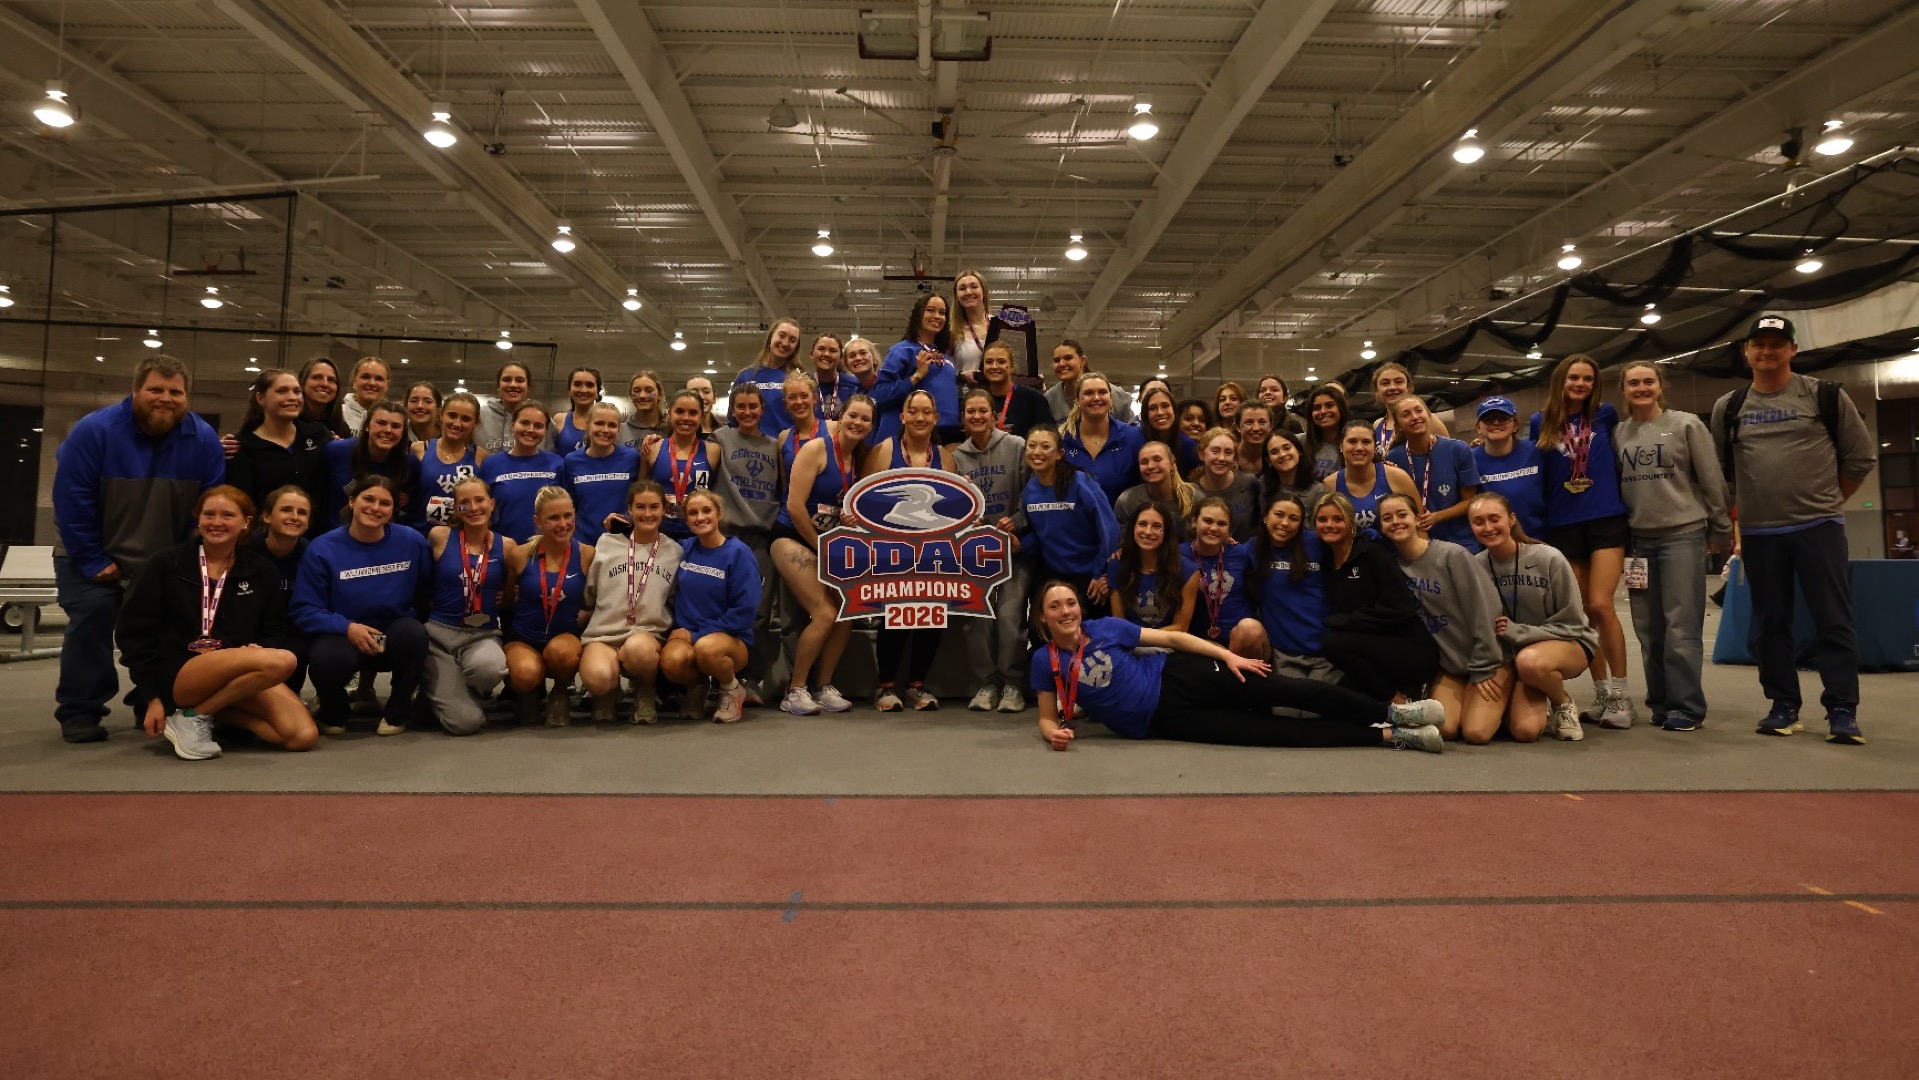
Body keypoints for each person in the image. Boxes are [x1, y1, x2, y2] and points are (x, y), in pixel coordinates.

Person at [1710, 314, 1876, 743]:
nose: (1767, 351)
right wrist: (1733, 524)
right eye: (1759, 344)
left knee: (1833, 620)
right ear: (1746, 351)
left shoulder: (1824, 396)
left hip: (1818, 527)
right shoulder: (1729, 407)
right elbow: (1723, 474)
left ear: (1793, 350)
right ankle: (1783, 705)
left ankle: (1842, 710)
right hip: (1761, 532)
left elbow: (1860, 458)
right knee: (1771, 622)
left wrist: (1827, 502)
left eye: (1777, 344)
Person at [1030, 580, 1444, 752]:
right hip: (1165, 722)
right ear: (1043, 617)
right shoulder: (1043, 660)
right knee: (1276, 734)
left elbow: (1173, 638)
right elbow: (1047, 718)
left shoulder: (1106, 627)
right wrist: (1056, 735)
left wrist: (1226, 655)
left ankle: (1390, 711)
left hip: (1181, 675)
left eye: (1071, 603)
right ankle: (1395, 736)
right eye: (1056, 607)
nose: (1067, 611)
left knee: (1286, 691)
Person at [51, 356, 226, 744]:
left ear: (187, 396)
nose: (165, 398)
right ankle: (81, 709)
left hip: (159, 562)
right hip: (90, 555)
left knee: (166, 633)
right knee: (93, 620)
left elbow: (206, 509)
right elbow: (71, 500)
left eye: (175, 392)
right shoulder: (93, 431)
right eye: (156, 390)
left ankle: (147, 700)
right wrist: (94, 559)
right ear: (135, 391)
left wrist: (179, 562)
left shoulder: (203, 441)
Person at [114, 485, 314, 760]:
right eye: (209, 514)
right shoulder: (165, 564)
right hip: (181, 671)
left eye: (227, 516)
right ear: (198, 519)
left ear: (246, 523)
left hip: (238, 673)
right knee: (283, 661)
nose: (217, 523)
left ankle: (197, 714)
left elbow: (274, 628)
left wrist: (261, 646)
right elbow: (133, 634)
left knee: (301, 736)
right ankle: (192, 713)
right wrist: (153, 698)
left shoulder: (261, 570)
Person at [1615, 362, 1733, 733]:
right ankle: (1661, 702)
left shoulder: (1685, 425)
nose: (1641, 388)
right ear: (1624, 390)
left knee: (1681, 626)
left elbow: (1712, 479)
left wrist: (1721, 528)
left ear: (1660, 386)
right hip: (1638, 542)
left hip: (1682, 535)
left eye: (1648, 381)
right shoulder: (1619, 433)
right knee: (1648, 629)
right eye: (1633, 383)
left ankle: (1687, 706)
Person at [1530, 354, 1634, 729]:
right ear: (1561, 381)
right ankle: (1602, 693)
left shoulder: (1605, 415)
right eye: (1573, 377)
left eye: (1587, 378)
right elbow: (1535, 470)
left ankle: (1622, 697)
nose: (1580, 384)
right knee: (1584, 614)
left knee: (1602, 605)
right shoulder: (1540, 423)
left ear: (1595, 384)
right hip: (1563, 524)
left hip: (1605, 519)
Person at [290, 475, 432, 737]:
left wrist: (407, 617)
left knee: (414, 634)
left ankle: (398, 712)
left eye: (385, 503)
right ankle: (334, 711)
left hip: (392, 633)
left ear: (393, 509)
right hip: (344, 635)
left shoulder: (412, 542)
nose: (375, 508)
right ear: (352, 501)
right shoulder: (322, 548)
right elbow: (304, 609)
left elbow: (424, 594)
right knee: (326, 658)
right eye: (368, 499)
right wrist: (347, 628)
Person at [1469, 492, 1600, 742]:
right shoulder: (1476, 566)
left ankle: (1562, 702)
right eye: (1478, 522)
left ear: (1511, 519)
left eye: (1494, 518)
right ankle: (1518, 696)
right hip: (1510, 652)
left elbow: (1572, 624)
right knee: (1505, 731)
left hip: (1566, 643)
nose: (1487, 527)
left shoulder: (1548, 558)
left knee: (1530, 663)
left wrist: (1519, 632)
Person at [771, 395, 871, 715]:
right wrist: (819, 547)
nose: (858, 423)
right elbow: (795, 507)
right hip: (792, 537)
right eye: (853, 415)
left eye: (865, 419)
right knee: (825, 612)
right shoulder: (816, 448)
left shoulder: (861, 458)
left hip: (830, 543)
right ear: (840, 417)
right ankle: (795, 690)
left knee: (847, 612)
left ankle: (824, 685)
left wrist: (850, 519)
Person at [1377, 493, 1503, 741]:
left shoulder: (1451, 556)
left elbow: (1484, 612)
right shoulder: (1393, 568)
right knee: (1444, 728)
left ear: (1417, 519)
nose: (1395, 522)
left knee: (1476, 732)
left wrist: (1482, 666)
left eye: (1402, 515)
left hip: (1488, 658)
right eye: (1387, 518)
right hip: (1451, 665)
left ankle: (1514, 697)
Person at [864, 389, 955, 711]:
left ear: (935, 417)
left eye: (926, 412)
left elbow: (955, 509)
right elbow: (864, 500)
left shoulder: (945, 458)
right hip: (891, 549)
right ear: (902, 417)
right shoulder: (884, 450)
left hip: (932, 552)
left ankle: (918, 684)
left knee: (932, 615)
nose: (919, 417)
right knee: (895, 615)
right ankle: (885, 686)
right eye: (913, 411)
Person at [951, 387, 1033, 712]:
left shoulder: (1017, 446)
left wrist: (1017, 521)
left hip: (1012, 545)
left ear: (995, 415)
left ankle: (1012, 682)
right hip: (975, 552)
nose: (977, 416)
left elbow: (1032, 491)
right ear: (963, 419)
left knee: (1011, 615)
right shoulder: (957, 457)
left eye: (982, 410)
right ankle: (988, 681)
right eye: (970, 411)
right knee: (976, 616)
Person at [1314, 492, 1440, 702]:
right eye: (1322, 520)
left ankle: (1399, 701)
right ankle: (1400, 701)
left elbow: (1402, 608)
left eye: (1338, 519)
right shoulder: (1327, 563)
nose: (1330, 525)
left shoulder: (1372, 554)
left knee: (1330, 642)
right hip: (1372, 652)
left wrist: (1349, 621)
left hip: (1410, 647)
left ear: (1350, 523)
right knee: (1338, 702)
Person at [579, 481, 682, 724]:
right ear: (629, 510)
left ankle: (646, 690)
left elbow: (674, 599)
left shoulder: (675, 551)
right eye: (640, 507)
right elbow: (590, 593)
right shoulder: (606, 543)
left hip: (646, 634)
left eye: (654, 507)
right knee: (598, 677)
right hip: (603, 634)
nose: (647, 514)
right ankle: (609, 691)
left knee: (640, 651)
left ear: (664, 509)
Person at [419, 477, 512, 735]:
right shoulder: (439, 536)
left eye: (479, 500)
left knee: (490, 668)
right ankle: (440, 692)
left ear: (491, 503)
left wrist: (507, 594)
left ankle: (454, 692)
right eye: (464, 503)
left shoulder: (508, 546)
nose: (473, 508)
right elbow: (423, 582)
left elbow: (512, 590)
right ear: (455, 508)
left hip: (482, 635)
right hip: (438, 637)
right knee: (465, 724)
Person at [710, 384, 784, 704]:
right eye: (740, 406)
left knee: (759, 611)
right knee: (719, 607)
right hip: (727, 535)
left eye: (753, 406)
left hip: (761, 537)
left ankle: (751, 678)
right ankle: (719, 677)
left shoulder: (775, 445)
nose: (747, 412)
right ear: (733, 410)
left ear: (762, 409)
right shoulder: (720, 440)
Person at [661, 490, 760, 723]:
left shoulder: (738, 553)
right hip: (688, 634)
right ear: (686, 520)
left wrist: (696, 635)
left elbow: (744, 613)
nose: (700, 517)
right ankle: (697, 688)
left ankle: (732, 689)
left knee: (706, 649)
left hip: (729, 638)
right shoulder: (684, 548)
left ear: (719, 514)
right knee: (671, 662)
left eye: (707, 511)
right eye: (693, 513)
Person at [501, 485, 590, 727]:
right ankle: (528, 696)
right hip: (523, 636)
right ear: (538, 521)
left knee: (562, 653)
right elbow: (507, 603)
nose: (562, 524)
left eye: (567, 516)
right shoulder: (519, 555)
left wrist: (578, 620)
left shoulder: (587, 555)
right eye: (553, 518)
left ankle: (560, 694)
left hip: (564, 635)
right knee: (525, 674)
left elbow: (594, 603)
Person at [1014, 424, 1118, 609]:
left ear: (1060, 453)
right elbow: (1041, 536)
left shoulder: (1080, 482)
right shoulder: (1029, 491)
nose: (1037, 452)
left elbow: (1108, 529)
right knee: (1040, 633)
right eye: (1032, 446)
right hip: (1054, 574)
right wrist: (1021, 546)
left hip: (1089, 573)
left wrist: (1100, 573)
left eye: (1046, 447)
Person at [226, 369, 330, 533]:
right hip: (266, 544)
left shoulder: (318, 435)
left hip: (315, 540)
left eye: (297, 392)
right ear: (260, 398)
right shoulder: (242, 447)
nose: (292, 397)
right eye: (282, 391)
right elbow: (242, 506)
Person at [1249, 494, 1333, 679]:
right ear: (1265, 517)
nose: (1285, 523)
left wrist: (1370, 535)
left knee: (1318, 708)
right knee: (1286, 709)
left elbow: (1352, 546)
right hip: (1284, 654)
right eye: (1279, 514)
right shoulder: (1252, 549)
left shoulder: (1318, 542)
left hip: (1325, 653)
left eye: (1294, 518)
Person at [1384, 395, 1480, 549]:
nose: (1414, 417)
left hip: (1462, 543)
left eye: (1419, 411)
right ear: (1398, 426)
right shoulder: (1394, 458)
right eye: (1406, 414)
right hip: (1420, 545)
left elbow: (1471, 501)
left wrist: (1436, 517)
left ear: (1429, 417)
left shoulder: (1458, 449)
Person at [1181, 497, 1264, 657]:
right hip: (1198, 640)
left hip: (1241, 638)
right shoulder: (1178, 555)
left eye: (1221, 524)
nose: (1213, 528)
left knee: (1250, 628)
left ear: (1229, 530)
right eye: (1207, 521)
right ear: (1193, 521)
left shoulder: (1241, 553)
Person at [875, 293, 960, 443]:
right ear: (918, 314)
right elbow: (881, 395)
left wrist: (962, 376)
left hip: (950, 434)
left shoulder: (946, 356)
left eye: (942, 312)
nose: (937, 316)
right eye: (930, 310)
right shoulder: (902, 350)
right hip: (916, 436)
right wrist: (917, 376)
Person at [321, 399, 417, 530]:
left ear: (403, 432)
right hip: (336, 536)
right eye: (381, 423)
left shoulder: (410, 464)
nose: (388, 430)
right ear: (367, 426)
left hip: (384, 538)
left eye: (396, 426)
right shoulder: (336, 451)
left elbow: (408, 510)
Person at [478, 400, 564, 543]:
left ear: (546, 431)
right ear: (513, 426)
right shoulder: (491, 464)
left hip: (547, 550)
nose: (530, 430)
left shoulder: (557, 464)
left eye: (538, 426)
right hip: (504, 549)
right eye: (524, 423)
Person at [559, 401, 640, 546]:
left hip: (623, 542)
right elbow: (569, 506)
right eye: (599, 423)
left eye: (612, 425)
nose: (605, 430)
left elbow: (638, 501)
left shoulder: (632, 458)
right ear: (587, 424)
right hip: (583, 543)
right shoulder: (571, 461)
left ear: (619, 429)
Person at [642, 389, 718, 541]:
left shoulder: (713, 451)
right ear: (670, 414)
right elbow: (640, 491)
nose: (686, 418)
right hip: (659, 533)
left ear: (702, 416)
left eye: (693, 413)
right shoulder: (653, 448)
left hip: (699, 534)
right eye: (680, 411)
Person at [257, 484, 313, 694]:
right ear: (267, 517)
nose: (295, 517)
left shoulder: (313, 554)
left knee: (300, 647)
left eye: (302, 512)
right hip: (250, 633)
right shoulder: (245, 552)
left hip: (292, 632)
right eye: (286, 509)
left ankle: (292, 696)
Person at [1108, 503, 1197, 631]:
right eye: (1142, 524)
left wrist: (1143, 639)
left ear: (1166, 532)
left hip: (1170, 644)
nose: (1148, 532)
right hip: (1128, 644)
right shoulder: (1117, 565)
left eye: (1157, 526)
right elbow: (1119, 622)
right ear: (1133, 528)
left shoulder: (1188, 571)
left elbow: (1180, 627)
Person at [1469, 396, 1546, 540]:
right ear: (1478, 427)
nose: (1496, 423)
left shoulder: (1537, 451)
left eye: (1503, 418)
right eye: (1489, 419)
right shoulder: (1469, 459)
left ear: (1516, 425)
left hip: (1541, 538)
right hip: (1495, 542)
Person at [1060, 371, 1144, 504]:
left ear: (1110, 397)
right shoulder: (1062, 439)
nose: (1096, 398)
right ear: (1077, 399)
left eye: (1102, 392)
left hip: (1119, 522)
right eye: (1088, 393)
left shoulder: (1134, 438)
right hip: (1073, 522)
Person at [411, 390, 488, 531]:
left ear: (475, 423)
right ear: (441, 415)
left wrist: (457, 508)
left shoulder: (481, 457)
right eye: (452, 416)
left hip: (461, 542)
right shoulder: (419, 450)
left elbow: (483, 505)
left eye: (465, 419)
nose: (457, 423)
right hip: (421, 536)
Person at [1325, 420, 1419, 535]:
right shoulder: (1329, 485)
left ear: (1375, 447)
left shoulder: (1397, 477)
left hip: (1395, 552)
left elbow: (1420, 524)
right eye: (1352, 441)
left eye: (1366, 442)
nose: (1359, 447)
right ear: (1341, 446)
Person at [732, 317, 805, 435]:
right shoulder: (745, 377)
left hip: (789, 448)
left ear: (796, 346)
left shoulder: (802, 378)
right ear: (771, 336)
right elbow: (733, 420)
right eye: (781, 336)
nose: (785, 343)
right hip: (751, 449)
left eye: (792, 340)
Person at [1115, 440, 1200, 542]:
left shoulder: (1195, 497)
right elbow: (1124, 545)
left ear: (1172, 463)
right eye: (1144, 462)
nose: (1150, 466)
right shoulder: (1128, 501)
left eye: (1157, 459)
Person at [1192, 427, 1262, 540]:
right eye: (1215, 451)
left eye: (1228, 452)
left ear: (1234, 457)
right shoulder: (1192, 492)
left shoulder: (1249, 483)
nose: (1221, 458)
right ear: (1201, 454)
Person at [1044, 339, 1134, 424]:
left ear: (1082, 361)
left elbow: (1132, 432)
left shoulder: (1116, 396)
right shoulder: (1050, 398)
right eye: (1056, 360)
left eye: (1068, 358)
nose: (1061, 364)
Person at [1370, 362, 1450, 454]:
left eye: (1398, 382)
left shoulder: (1428, 420)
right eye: (1385, 383)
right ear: (1377, 391)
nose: (1392, 387)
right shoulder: (1377, 425)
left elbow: (1449, 455)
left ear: (1408, 387)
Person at [978, 340, 1050, 438]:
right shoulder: (978, 399)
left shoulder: (1032, 398)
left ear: (1012, 367)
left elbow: (1049, 436)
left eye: (1001, 362)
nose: (994, 366)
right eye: (989, 362)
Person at [776, 371, 830, 476]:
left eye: (804, 396)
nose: (799, 402)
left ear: (814, 398)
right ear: (785, 403)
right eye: (792, 397)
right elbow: (785, 483)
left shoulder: (832, 429)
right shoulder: (783, 438)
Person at [1137, 384, 1198, 475]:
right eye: (1152, 408)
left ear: (1174, 410)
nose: (1160, 412)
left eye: (1165, 406)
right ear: (1146, 415)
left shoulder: (1189, 446)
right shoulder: (1136, 443)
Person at [1302, 384, 1351, 480]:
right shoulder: (1300, 442)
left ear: (1341, 409)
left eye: (1329, 405)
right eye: (1317, 408)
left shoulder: (1354, 443)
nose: (1323, 411)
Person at [551, 367, 601, 456]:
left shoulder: (608, 423)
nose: (583, 390)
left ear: (597, 392)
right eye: (577, 384)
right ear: (569, 390)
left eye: (589, 385)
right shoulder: (559, 420)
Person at [1260, 431, 1318, 508]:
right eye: (1274, 452)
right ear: (1269, 461)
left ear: (1299, 451)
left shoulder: (1317, 491)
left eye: (1287, 448)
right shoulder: (1263, 486)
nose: (1282, 455)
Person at [297, 357, 349, 437]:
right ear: (302, 383)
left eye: (331, 380)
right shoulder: (289, 422)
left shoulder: (343, 428)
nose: (325, 384)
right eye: (317, 377)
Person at [339, 357, 391, 436]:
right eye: (365, 377)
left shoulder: (394, 418)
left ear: (387, 385)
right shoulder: (337, 413)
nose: (372, 383)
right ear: (354, 381)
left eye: (379, 379)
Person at [809, 334, 855, 420]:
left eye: (833, 350)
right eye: (821, 349)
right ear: (811, 353)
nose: (826, 354)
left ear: (841, 357)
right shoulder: (804, 385)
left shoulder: (854, 386)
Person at [620, 370, 669, 450]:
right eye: (637, 391)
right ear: (631, 396)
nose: (642, 395)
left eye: (649, 391)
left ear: (659, 395)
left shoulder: (670, 430)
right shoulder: (620, 431)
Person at [1232, 402, 1274, 474]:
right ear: (1238, 427)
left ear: (1271, 426)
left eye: (1262, 422)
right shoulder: (1227, 457)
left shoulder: (1277, 458)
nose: (1256, 428)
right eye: (1249, 422)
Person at [402, 381, 442, 446]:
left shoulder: (450, 438)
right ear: (405, 407)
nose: (420, 406)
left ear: (438, 409)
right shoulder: (396, 437)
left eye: (428, 401)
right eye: (414, 401)